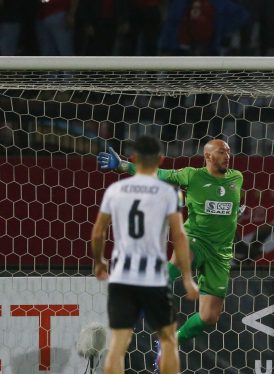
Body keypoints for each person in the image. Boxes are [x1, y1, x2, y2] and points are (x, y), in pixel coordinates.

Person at [97, 139, 244, 360]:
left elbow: (229, 205)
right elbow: (158, 174)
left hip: (220, 254)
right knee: (181, 261)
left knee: (209, 317)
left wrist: (233, 212)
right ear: (208, 156)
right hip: (196, 239)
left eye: (229, 152)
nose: (227, 156)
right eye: (222, 152)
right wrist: (123, 166)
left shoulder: (237, 178)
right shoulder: (192, 175)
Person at [91, 136, 200, 374]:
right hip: (153, 279)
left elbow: (99, 232)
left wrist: (99, 262)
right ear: (161, 160)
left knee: (118, 343)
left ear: (134, 158)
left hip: (122, 278)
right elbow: (179, 236)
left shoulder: (115, 190)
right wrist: (187, 277)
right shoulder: (168, 193)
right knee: (168, 340)